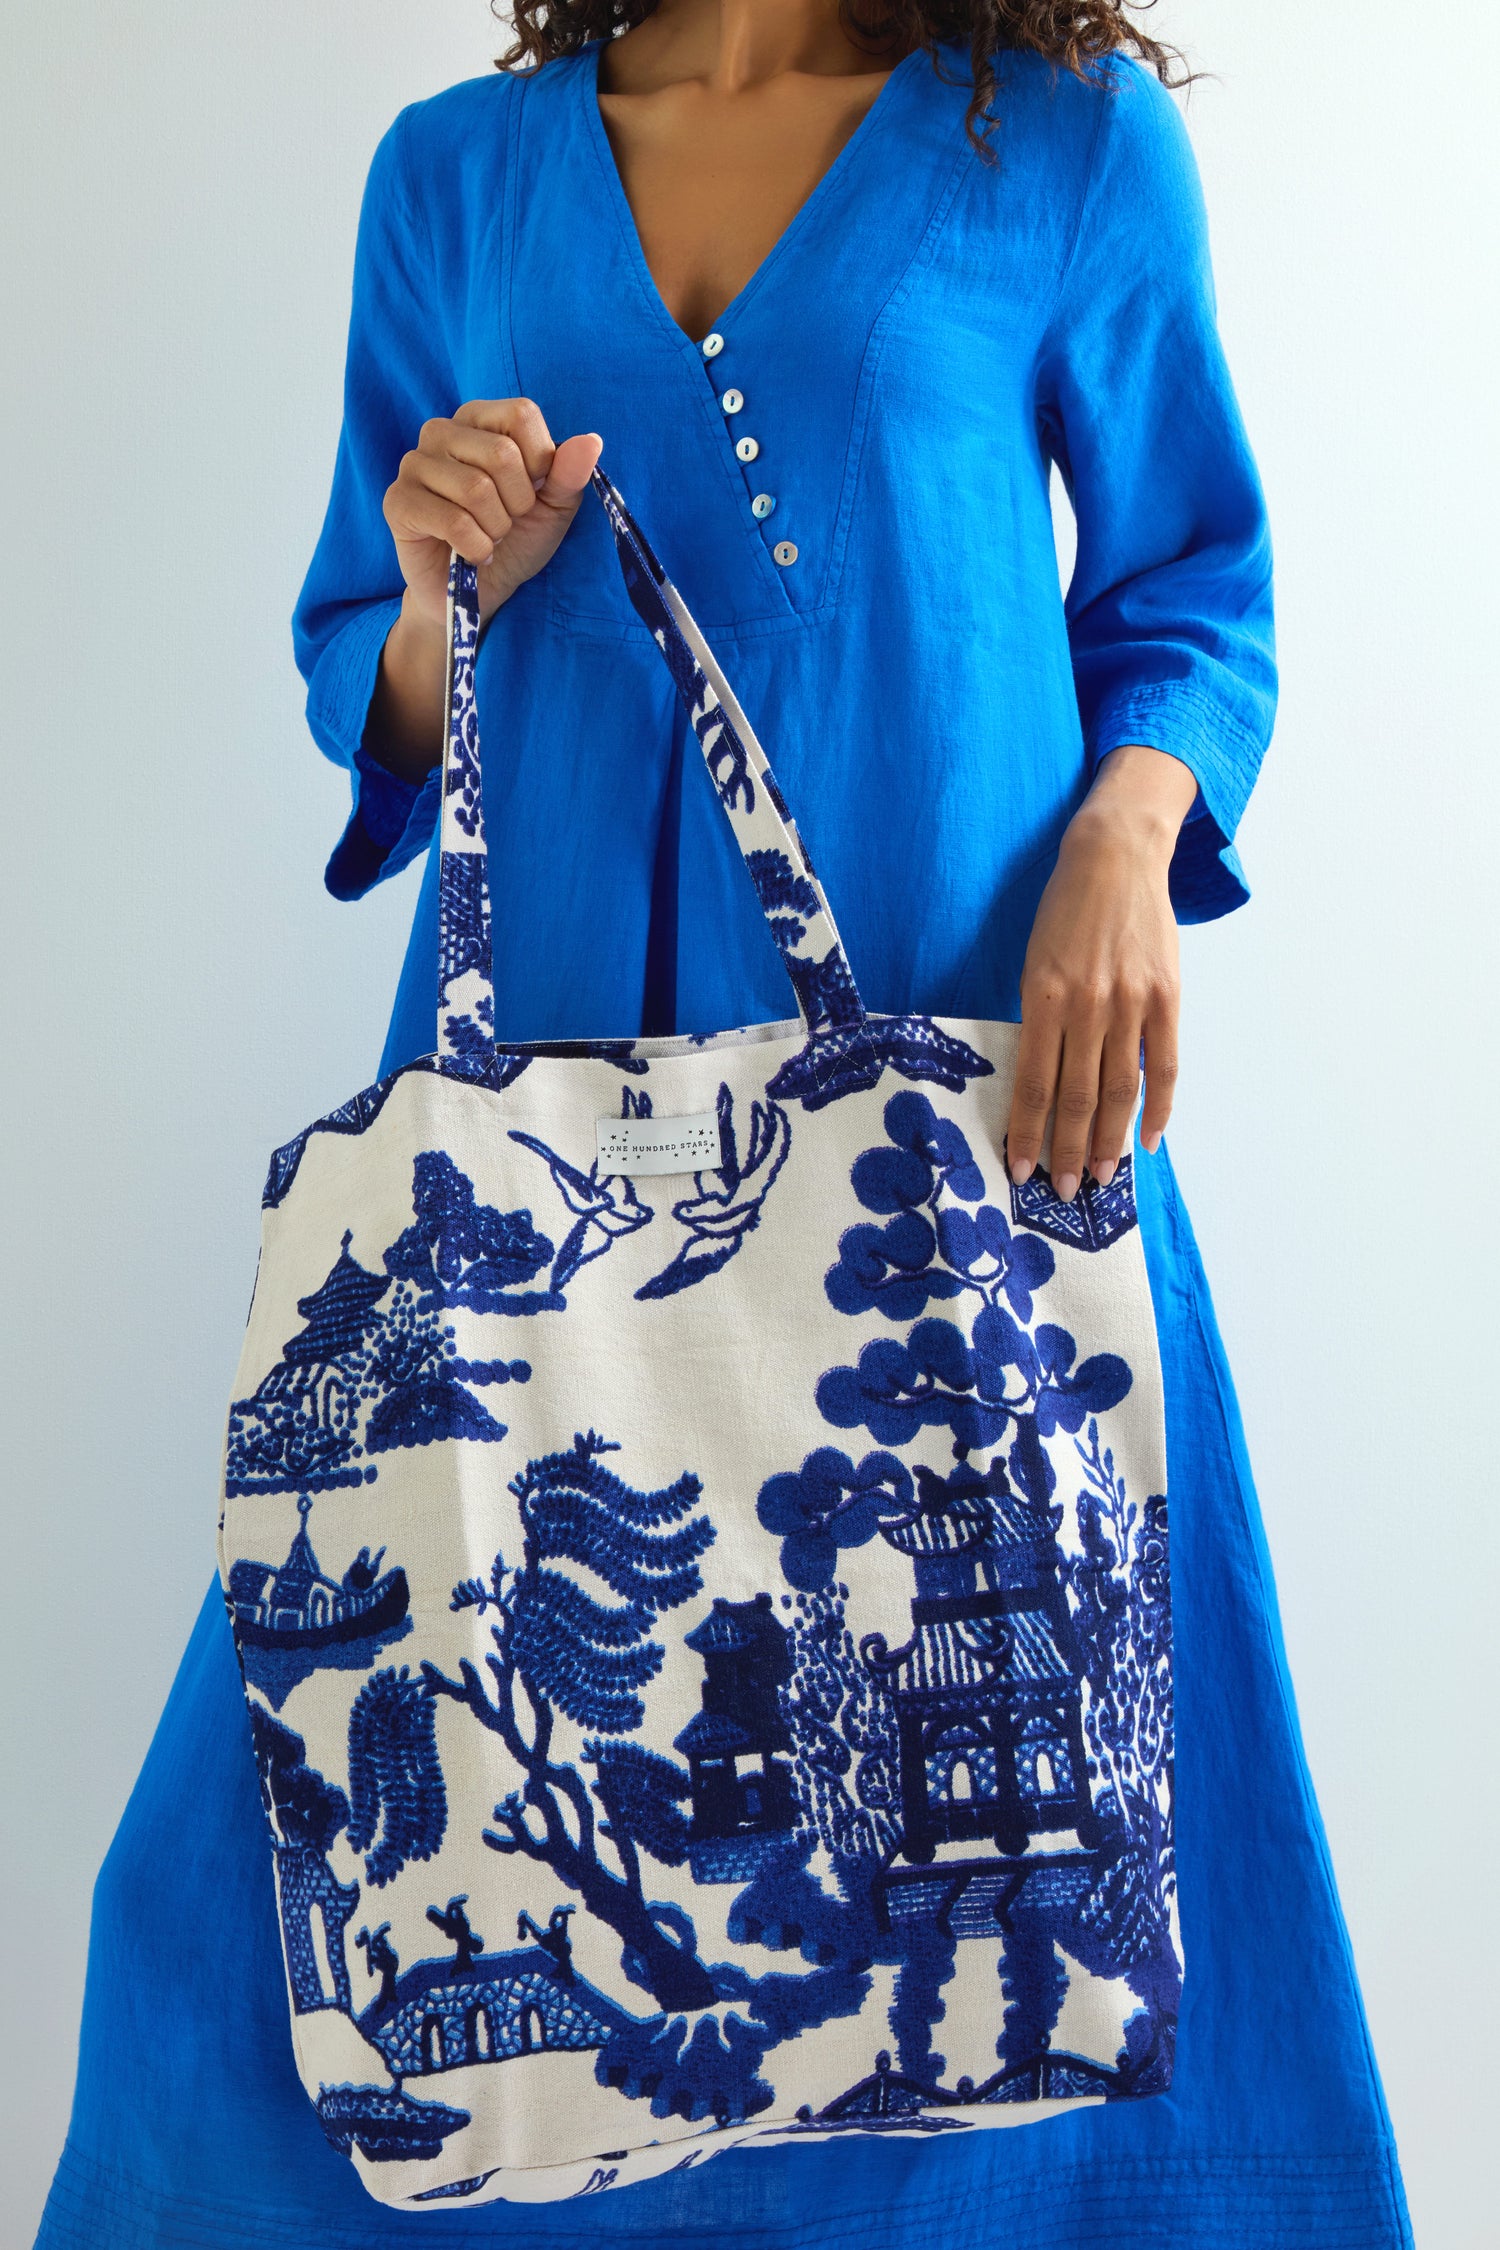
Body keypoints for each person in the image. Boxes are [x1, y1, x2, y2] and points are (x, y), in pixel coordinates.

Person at [33, 2, 1414, 2245]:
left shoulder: (1069, 147)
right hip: (518, 1205)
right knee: (288, 1875)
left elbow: (1196, 597)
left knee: (995, 1842)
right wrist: (429, 581)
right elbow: (362, 684)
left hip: (954, 1157)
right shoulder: (450, 175)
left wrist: (1126, 842)